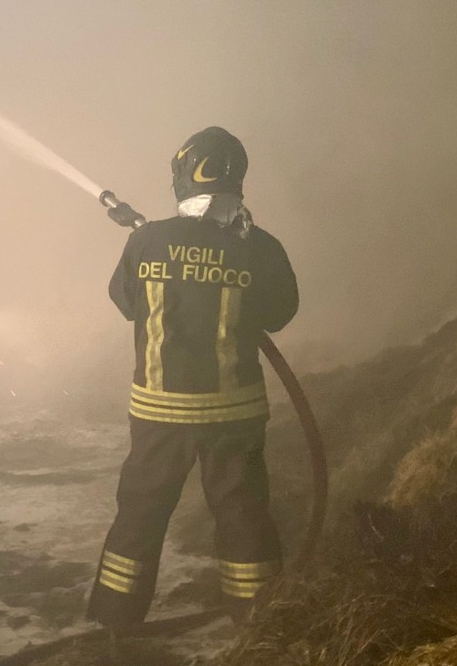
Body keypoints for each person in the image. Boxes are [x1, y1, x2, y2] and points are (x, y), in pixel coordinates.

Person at [88, 126, 299, 633]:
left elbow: (124, 302)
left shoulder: (147, 241)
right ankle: (260, 621)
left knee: (139, 513)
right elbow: (280, 314)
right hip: (235, 415)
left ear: (184, 176)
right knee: (244, 516)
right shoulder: (260, 247)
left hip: (160, 414)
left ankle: (116, 623)